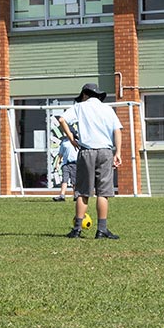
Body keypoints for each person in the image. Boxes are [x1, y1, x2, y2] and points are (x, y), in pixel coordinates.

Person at [54, 83, 121, 240]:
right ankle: (102, 230)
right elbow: (117, 130)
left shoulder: (80, 107)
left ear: (85, 94)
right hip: (105, 152)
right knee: (103, 193)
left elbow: (62, 119)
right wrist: (117, 152)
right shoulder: (108, 109)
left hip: (87, 152)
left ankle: (77, 229)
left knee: (83, 192)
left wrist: (71, 139)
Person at [53, 132, 78, 202]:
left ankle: (76, 195)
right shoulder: (64, 142)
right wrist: (57, 163)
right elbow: (60, 154)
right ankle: (62, 195)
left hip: (75, 163)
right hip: (66, 164)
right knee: (65, 179)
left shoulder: (77, 141)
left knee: (74, 180)